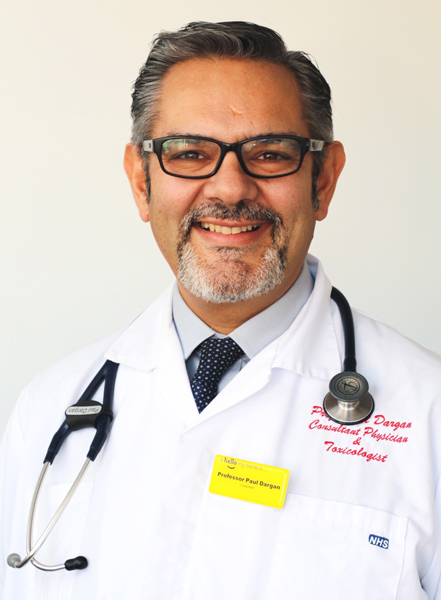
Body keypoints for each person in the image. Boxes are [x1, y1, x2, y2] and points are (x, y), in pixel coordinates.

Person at [1, 20, 440, 600]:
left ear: (324, 180)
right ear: (141, 181)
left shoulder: (429, 413)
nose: (230, 189)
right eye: (189, 153)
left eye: (270, 153)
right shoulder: (46, 409)